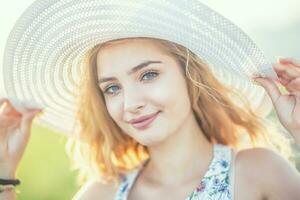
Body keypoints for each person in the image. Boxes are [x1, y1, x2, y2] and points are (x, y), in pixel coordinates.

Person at [0, 1, 300, 200]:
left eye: (148, 75)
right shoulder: (102, 194)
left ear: (189, 76)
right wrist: (4, 174)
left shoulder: (259, 173)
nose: (130, 103)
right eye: (112, 88)